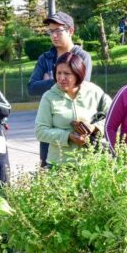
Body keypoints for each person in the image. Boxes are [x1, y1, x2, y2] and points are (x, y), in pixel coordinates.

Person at [28, 11, 93, 166]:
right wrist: (58, 82)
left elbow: (79, 86)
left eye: (58, 30)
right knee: (48, 169)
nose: (54, 35)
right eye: (51, 31)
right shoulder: (45, 58)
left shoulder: (82, 57)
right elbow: (32, 88)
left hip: (76, 125)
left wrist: (49, 81)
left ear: (70, 31)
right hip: (50, 126)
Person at [34, 52, 112, 166]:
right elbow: (40, 131)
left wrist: (94, 128)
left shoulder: (94, 92)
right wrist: (68, 136)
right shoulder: (49, 97)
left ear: (78, 74)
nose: (61, 78)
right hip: (61, 166)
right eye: (58, 73)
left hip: (94, 164)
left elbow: (114, 119)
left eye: (67, 73)